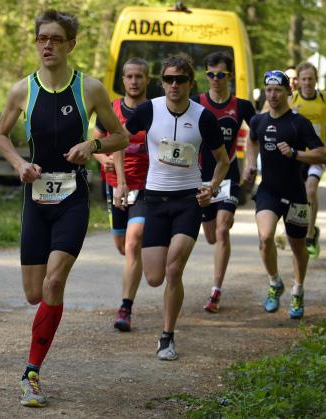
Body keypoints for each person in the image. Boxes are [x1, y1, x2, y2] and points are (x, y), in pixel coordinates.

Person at [0, 10, 128, 407]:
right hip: (36, 199)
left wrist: (93, 146)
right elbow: (0, 134)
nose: (47, 45)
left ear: (71, 44)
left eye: (55, 39)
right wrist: (20, 164)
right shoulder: (22, 90)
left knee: (53, 283)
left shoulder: (91, 89)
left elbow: (121, 135)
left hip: (72, 199)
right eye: (41, 39)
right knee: (36, 293)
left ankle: (31, 373)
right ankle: (49, 312)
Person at [125, 54, 229, 360]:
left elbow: (223, 160)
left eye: (180, 80)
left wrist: (210, 187)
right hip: (154, 199)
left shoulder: (203, 117)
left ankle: (167, 336)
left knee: (173, 270)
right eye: (169, 79)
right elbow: (120, 138)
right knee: (154, 277)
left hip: (188, 200)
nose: (174, 85)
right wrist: (117, 174)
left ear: (189, 83)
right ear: (162, 82)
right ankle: (167, 328)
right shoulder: (149, 110)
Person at [243, 70, 326, 319]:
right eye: (268, 90)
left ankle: (298, 290)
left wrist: (296, 154)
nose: (272, 95)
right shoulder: (258, 120)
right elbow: (251, 140)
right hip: (268, 189)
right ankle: (274, 282)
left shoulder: (298, 123)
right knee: (265, 237)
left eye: (277, 90)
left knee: (297, 245)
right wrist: (250, 164)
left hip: (296, 193)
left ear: (288, 92)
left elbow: (323, 155)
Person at [191, 51, 256, 313]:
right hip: (200, 176)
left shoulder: (242, 106)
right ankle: (216, 285)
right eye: (210, 74)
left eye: (220, 74)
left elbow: (257, 134)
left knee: (222, 230)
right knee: (209, 235)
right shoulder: (196, 102)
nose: (215, 79)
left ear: (229, 76)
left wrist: (252, 162)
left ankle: (215, 291)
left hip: (228, 175)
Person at [93, 58, 150, 331]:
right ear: (123, 80)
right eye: (129, 76)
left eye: (139, 76)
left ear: (147, 79)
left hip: (146, 186)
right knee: (121, 245)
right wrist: (100, 156)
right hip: (114, 184)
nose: (134, 81)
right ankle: (136, 263)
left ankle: (125, 308)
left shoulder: (155, 110)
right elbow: (97, 138)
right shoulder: (112, 109)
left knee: (133, 243)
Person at [290, 62, 326, 258]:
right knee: (295, 195)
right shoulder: (291, 99)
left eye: (310, 79)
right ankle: (294, 230)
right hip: (295, 156)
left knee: (310, 190)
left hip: (317, 153)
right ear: (298, 81)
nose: (307, 83)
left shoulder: (325, 97)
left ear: (316, 79)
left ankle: (310, 235)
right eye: (303, 79)